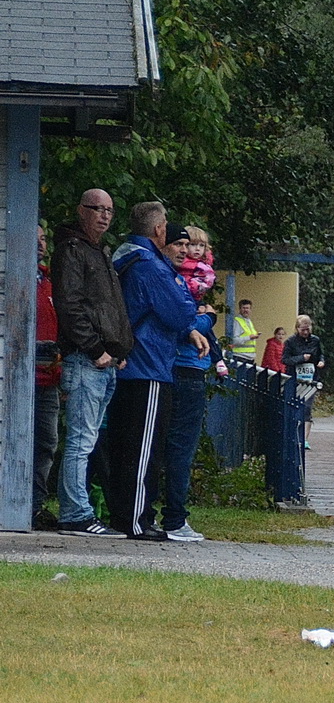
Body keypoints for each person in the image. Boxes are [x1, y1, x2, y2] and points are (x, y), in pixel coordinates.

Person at [109, 211, 207, 540]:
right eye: (167, 227)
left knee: (125, 446)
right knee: (144, 450)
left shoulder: (126, 257)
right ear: (158, 228)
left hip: (132, 365)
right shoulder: (151, 266)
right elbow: (181, 312)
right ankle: (137, 520)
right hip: (149, 365)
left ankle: (123, 515)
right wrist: (186, 298)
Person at [49, 189, 133, 537]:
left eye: (109, 210)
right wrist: (97, 349)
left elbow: (110, 308)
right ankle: (75, 514)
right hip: (87, 361)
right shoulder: (72, 250)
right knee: (81, 441)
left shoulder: (98, 251)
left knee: (88, 440)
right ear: (80, 210)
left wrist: (119, 352)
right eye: (96, 208)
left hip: (105, 362)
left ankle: (79, 511)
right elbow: (71, 306)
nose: (103, 215)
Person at [160, 259, 228, 544]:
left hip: (174, 369)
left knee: (166, 445)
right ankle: (174, 518)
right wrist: (208, 318)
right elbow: (182, 324)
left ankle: (153, 512)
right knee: (181, 447)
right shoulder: (178, 286)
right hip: (186, 371)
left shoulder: (174, 283)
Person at [33, 226, 62, 530]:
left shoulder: (50, 280)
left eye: (43, 239)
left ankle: (34, 505)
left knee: (46, 443)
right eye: (35, 239)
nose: (40, 245)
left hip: (48, 378)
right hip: (18, 378)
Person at [281, 314, 325, 449]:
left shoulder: (315, 340)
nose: (305, 332)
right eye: (302, 329)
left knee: (306, 409)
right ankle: (292, 436)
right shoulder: (290, 342)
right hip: (295, 380)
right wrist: (301, 358)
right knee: (294, 407)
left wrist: (321, 361)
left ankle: (304, 440)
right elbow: (285, 359)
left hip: (310, 381)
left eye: (308, 329)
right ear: (297, 328)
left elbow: (320, 354)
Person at [229, 298, 259, 362]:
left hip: (249, 357)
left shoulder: (249, 321)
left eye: (247, 308)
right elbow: (234, 340)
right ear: (240, 309)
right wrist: (249, 337)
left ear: (250, 310)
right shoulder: (237, 321)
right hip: (240, 357)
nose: (246, 310)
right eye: (244, 308)